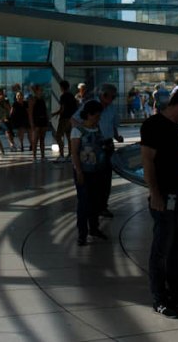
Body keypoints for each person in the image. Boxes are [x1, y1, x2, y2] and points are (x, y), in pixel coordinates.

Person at [141, 87, 178, 319]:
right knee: (161, 249)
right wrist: (155, 194)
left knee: (177, 248)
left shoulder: (175, 128)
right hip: (165, 197)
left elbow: (171, 159)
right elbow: (148, 161)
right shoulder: (153, 125)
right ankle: (159, 298)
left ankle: (176, 294)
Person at [70, 100, 110, 246]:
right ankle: (82, 233)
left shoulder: (97, 128)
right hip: (84, 172)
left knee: (95, 201)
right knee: (84, 202)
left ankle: (94, 228)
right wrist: (79, 171)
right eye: (96, 116)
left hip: (97, 171)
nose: (98, 119)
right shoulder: (77, 131)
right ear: (89, 114)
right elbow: (74, 152)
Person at [97, 84, 124, 219]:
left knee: (106, 177)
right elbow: (76, 120)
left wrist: (116, 136)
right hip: (95, 145)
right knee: (95, 176)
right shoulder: (91, 106)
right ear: (104, 95)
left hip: (108, 144)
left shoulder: (112, 108)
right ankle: (94, 205)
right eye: (111, 97)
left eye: (114, 97)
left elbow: (113, 125)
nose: (113, 99)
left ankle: (103, 206)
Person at [55, 80, 78, 161]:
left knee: (58, 136)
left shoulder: (63, 96)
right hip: (71, 119)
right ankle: (70, 155)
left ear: (62, 87)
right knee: (69, 137)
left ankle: (61, 155)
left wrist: (54, 114)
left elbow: (62, 109)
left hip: (64, 119)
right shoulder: (72, 96)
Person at [28, 83, 49, 162]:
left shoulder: (42, 100)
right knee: (35, 140)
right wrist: (32, 123)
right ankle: (34, 156)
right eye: (40, 90)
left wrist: (47, 122)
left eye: (41, 90)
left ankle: (43, 156)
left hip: (43, 121)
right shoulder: (33, 99)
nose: (41, 91)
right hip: (36, 122)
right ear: (36, 91)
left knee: (42, 139)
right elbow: (30, 112)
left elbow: (45, 111)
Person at [0, 88, 12, 155]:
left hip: (3, 118)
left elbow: (9, 109)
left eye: (1, 93)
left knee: (6, 131)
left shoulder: (5, 101)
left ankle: (10, 144)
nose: (0, 95)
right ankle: (9, 145)